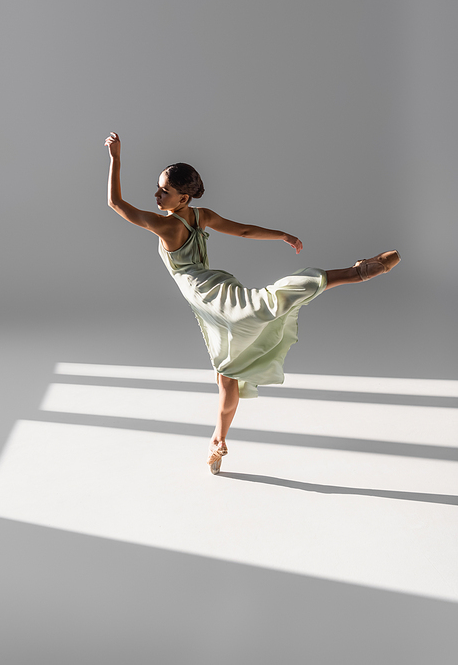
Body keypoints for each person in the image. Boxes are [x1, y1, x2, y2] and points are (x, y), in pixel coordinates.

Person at [105, 132, 400, 474]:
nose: (156, 194)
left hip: (207, 295)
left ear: (183, 197)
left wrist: (116, 158)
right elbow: (243, 230)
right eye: (157, 188)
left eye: (164, 191)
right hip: (215, 287)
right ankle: (218, 440)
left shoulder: (163, 225)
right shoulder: (201, 216)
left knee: (263, 308)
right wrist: (282, 234)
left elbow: (116, 204)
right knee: (227, 371)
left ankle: (352, 273)